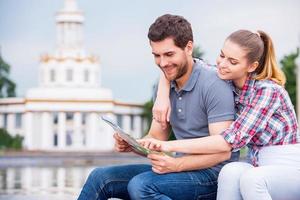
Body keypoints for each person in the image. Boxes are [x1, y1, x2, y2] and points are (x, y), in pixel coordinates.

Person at [77, 14, 239, 200]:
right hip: (179, 168)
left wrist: (176, 165)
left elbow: (223, 151)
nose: (162, 63)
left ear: (188, 47)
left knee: (141, 186)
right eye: (157, 55)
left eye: (169, 54)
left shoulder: (214, 83)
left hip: (213, 175)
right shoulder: (162, 87)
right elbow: (156, 138)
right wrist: (133, 145)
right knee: (100, 177)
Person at [145, 29, 300, 200]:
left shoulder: (268, 91)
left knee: (252, 180)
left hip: (289, 168)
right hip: (257, 163)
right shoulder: (227, 82)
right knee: (230, 172)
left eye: (232, 61)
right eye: (221, 55)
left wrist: (168, 146)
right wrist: (162, 93)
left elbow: (229, 140)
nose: (222, 64)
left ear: (251, 66)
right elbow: (182, 65)